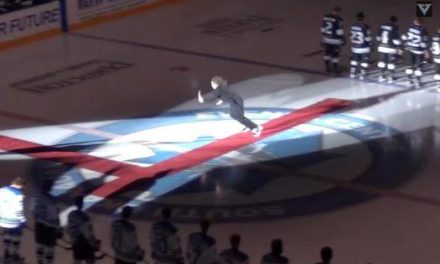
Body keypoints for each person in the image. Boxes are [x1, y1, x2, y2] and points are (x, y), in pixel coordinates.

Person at [198, 76, 262, 137]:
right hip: (235, 99)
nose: (211, 85)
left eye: (212, 84)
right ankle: (248, 125)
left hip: (236, 101)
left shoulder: (218, 90)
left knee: (238, 116)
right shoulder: (222, 86)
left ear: (215, 84)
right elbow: (225, 94)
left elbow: (212, 99)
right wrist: (221, 100)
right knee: (234, 115)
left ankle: (256, 127)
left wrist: (202, 100)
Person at [31, 179, 63, 264]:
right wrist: (59, 229)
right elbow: (55, 217)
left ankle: (39, 262)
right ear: (50, 188)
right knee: (50, 250)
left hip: (39, 226)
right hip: (49, 229)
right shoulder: (52, 201)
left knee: (40, 247)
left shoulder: (35, 197)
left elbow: (32, 212)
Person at [67, 195, 101, 264]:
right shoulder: (84, 217)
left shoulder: (71, 215)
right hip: (85, 244)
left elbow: (69, 230)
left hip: (76, 243)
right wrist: (95, 244)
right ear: (82, 204)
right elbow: (88, 234)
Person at [0, 177, 26, 263]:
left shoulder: (2, 190)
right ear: (21, 185)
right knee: (16, 237)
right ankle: (15, 255)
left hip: (2, 219)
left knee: (7, 234)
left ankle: (6, 253)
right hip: (13, 221)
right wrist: (23, 221)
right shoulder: (18, 194)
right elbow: (18, 210)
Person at [401, 18, 429, 88]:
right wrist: (426, 52)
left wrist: (405, 46)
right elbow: (424, 43)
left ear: (414, 21)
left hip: (410, 49)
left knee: (409, 66)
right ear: (422, 22)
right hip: (419, 50)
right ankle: (418, 81)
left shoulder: (409, 28)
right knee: (418, 68)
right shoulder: (423, 30)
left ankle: (410, 80)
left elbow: (404, 37)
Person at [376, 16, 402, 83]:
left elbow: (378, 38)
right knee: (391, 63)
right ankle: (391, 77)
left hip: (382, 46)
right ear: (395, 21)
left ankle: (381, 76)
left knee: (382, 62)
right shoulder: (394, 27)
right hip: (390, 47)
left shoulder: (382, 26)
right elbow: (396, 40)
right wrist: (399, 46)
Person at [321, 6, 345, 75]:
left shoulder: (325, 17)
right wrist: (342, 38)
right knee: (335, 54)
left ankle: (327, 67)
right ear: (338, 11)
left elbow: (322, 29)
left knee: (327, 53)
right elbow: (339, 31)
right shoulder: (339, 19)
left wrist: (323, 37)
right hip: (335, 40)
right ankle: (335, 68)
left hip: (327, 38)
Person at [349, 12, 372, 80]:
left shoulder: (353, 26)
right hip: (363, 47)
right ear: (363, 18)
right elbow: (368, 38)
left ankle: (352, 73)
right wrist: (370, 44)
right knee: (364, 61)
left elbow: (351, 36)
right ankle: (362, 73)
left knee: (354, 60)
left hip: (355, 47)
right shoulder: (366, 27)